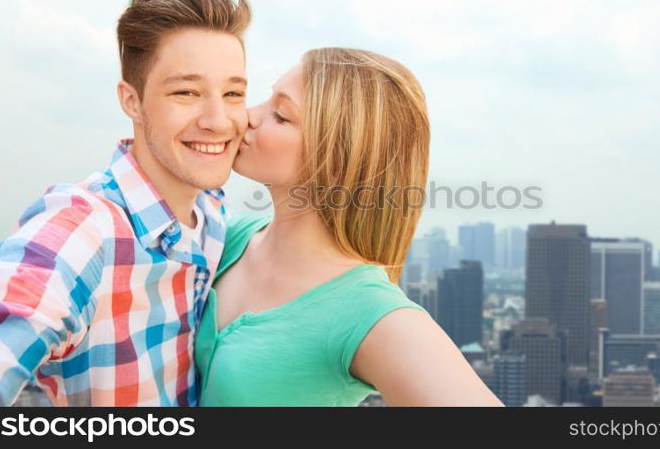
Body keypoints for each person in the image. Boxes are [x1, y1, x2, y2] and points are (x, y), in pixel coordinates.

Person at [0, 0, 251, 406]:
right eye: (186, 92)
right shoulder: (85, 228)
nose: (219, 121)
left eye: (234, 93)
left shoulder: (215, 218)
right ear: (132, 100)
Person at [196, 48, 504, 406]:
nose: (247, 116)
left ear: (338, 160)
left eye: (280, 115)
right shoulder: (228, 237)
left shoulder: (368, 312)